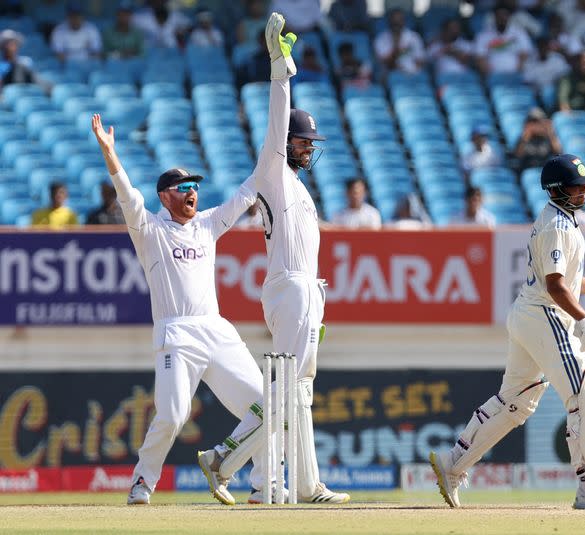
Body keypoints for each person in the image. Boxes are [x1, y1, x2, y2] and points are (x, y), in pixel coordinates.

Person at [430, 154, 585, 509]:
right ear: (558, 189)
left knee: (516, 402)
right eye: (578, 186)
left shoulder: (561, 220)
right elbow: (555, 286)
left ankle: (452, 465)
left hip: (529, 316)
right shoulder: (557, 227)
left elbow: (569, 281)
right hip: (545, 315)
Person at [196, 13, 351, 505]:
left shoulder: (294, 185)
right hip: (293, 287)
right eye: (304, 141)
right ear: (286, 145)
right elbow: (277, 117)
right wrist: (281, 66)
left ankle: (305, 485)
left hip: (306, 290)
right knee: (285, 390)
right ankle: (224, 458)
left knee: (299, 390)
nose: (309, 148)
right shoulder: (274, 170)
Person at [91, 113, 268, 502]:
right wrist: (110, 153)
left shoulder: (207, 224)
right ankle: (143, 481)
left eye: (194, 186)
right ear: (165, 196)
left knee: (265, 406)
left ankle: (260, 482)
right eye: (183, 186)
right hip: (176, 333)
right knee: (172, 416)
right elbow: (127, 195)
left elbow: (245, 195)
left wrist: (273, 154)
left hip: (216, 329)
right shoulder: (150, 230)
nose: (192, 192)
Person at [475, 3, 533, 76]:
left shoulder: (520, 33)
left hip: (515, 75)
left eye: (504, 15)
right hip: (493, 76)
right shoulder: (483, 35)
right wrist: (490, 75)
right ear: (494, 17)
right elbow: (480, 57)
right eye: (499, 16)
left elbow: (525, 54)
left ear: (509, 17)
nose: (502, 18)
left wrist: (517, 72)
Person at [374, 8, 426, 75]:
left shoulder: (414, 37)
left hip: (413, 74)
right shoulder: (380, 39)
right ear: (389, 21)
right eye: (394, 21)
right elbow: (386, 63)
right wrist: (397, 48)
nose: (397, 23)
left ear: (404, 21)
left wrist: (412, 71)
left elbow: (421, 60)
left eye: (399, 20)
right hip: (392, 75)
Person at [512, 107, 561, 172]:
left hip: (545, 170)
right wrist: (526, 137)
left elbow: (558, 152)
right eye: (533, 122)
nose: (537, 125)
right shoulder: (523, 139)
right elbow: (518, 156)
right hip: (528, 170)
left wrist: (550, 133)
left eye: (539, 122)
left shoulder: (547, 138)